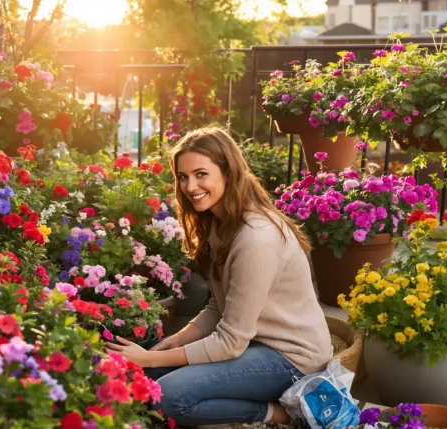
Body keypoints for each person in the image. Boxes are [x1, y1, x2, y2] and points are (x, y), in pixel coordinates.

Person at [106, 126, 332, 427]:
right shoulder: (218, 223)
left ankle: (286, 414)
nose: (190, 186)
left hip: (291, 358)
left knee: (168, 396)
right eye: (183, 177)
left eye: (201, 174)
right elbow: (218, 307)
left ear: (228, 172)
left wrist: (150, 358)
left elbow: (229, 343)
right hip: (252, 342)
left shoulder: (256, 239)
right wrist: (172, 342)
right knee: (145, 377)